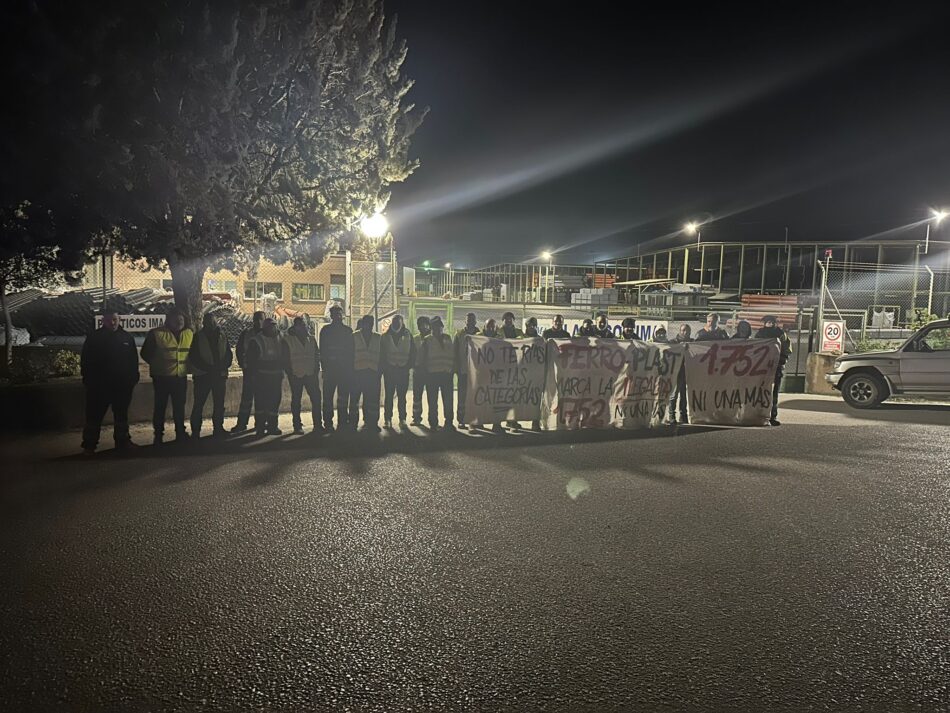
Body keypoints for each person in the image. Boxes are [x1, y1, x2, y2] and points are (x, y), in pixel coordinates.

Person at [80, 310, 140, 455]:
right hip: (99, 386)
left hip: (122, 386)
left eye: (114, 320)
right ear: (103, 321)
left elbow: (133, 361)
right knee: (94, 416)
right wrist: (89, 381)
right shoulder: (94, 338)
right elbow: (85, 361)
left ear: (119, 319)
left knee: (121, 415)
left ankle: (122, 442)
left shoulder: (127, 337)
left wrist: (132, 379)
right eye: (109, 320)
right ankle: (89, 445)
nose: (112, 323)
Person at [141, 308, 193, 445]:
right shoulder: (157, 334)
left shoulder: (189, 334)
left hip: (180, 377)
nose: (179, 322)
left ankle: (180, 433)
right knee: (160, 407)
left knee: (179, 407)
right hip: (162, 377)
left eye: (181, 320)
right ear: (168, 320)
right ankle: (158, 435)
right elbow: (145, 353)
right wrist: (158, 364)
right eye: (176, 319)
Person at [188, 312, 233, 439]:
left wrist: (223, 366)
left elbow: (228, 354)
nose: (211, 324)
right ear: (204, 323)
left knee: (219, 404)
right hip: (203, 376)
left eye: (213, 321)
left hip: (219, 375)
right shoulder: (198, 337)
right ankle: (196, 431)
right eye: (208, 322)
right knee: (199, 404)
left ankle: (218, 428)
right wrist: (209, 368)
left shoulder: (222, 335)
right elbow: (194, 357)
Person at [282, 316, 323, 435]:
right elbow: (285, 358)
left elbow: (316, 355)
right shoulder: (289, 340)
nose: (304, 327)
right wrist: (290, 373)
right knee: (296, 400)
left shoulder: (311, 339)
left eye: (304, 325)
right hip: (296, 375)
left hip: (310, 374)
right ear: (295, 327)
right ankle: (297, 425)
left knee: (316, 399)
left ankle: (318, 424)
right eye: (301, 325)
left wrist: (316, 370)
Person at [246, 317, 284, 436]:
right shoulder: (256, 340)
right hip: (262, 377)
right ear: (265, 328)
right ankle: (260, 427)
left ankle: (273, 426)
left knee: (274, 403)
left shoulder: (280, 337)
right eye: (270, 326)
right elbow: (251, 361)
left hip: (276, 376)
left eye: (274, 325)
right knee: (261, 404)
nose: (273, 328)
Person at [320, 305, 354, 431]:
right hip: (331, 370)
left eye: (339, 314)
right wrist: (324, 368)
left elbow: (351, 352)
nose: (338, 316)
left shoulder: (347, 331)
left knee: (343, 398)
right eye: (336, 314)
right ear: (332, 315)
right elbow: (322, 351)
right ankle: (328, 423)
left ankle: (342, 421)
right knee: (328, 398)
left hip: (343, 371)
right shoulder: (326, 331)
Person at [755, 315, 792, 426]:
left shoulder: (781, 334)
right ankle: (759, 415)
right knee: (760, 392)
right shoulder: (760, 334)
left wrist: (781, 361)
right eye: (768, 322)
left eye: (772, 322)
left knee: (774, 393)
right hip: (762, 368)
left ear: (776, 323)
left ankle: (772, 416)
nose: (770, 324)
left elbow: (787, 350)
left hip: (776, 367)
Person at [231, 310, 265, 433]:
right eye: (256, 319)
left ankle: (260, 424)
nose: (258, 322)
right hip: (249, 371)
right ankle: (242, 424)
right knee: (246, 399)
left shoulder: (267, 335)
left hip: (262, 373)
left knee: (261, 399)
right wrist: (242, 364)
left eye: (260, 319)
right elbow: (239, 350)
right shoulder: (246, 334)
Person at [421, 316, 455, 431]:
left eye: (440, 327)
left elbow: (452, 355)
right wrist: (425, 375)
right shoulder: (427, 340)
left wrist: (452, 371)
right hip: (432, 375)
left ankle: (449, 423)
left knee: (448, 401)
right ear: (432, 328)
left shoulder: (448, 338)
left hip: (446, 374)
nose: (439, 329)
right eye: (436, 327)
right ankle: (433, 423)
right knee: (433, 401)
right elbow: (422, 359)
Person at [381, 315, 414, 427]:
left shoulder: (408, 335)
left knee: (402, 397)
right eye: (394, 322)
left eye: (398, 323)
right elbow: (382, 354)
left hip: (403, 371)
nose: (396, 325)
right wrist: (385, 368)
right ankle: (387, 419)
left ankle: (402, 419)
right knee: (389, 396)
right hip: (389, 371)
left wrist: (408, 366)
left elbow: (413, 353)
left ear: (402, 323)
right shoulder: (385, 336)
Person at [350, 314, 382, 431]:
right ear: (362, 324)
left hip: (373, 374)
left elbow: (382, 357)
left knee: (372, 400)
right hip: (357, 373)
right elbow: (349, 355)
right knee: (354, 400)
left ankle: (372, 422)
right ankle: (353, 423)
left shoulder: (378, 337)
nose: (369, 325)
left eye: (371, 323)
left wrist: (379, 372)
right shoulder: (354, 336)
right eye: (367, 323)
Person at [455, 312, 480, 429]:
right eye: (468, 320)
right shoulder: (459, 334)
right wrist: (456, 369)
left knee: (476, 396)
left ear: (475, 321)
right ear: (465, 321)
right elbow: (455, 352)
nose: (470, 321)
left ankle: (475, 420)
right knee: (462, 397)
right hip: (463, 371)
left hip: (477, 372)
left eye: (472, 320)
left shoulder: (480, 334)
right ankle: (461, 419)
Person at [667, 324, 691, 425]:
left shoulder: (693, 342)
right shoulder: (673, 342)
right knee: (674, 394)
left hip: (688, 371)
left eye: (687, 331)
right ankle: (671, 415)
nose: (685, 332)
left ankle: (683, 415)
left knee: (684, 395)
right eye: (683, 330)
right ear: (679, 331)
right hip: (676, 371)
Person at [411, 315, 431, 426]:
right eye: (421, 324)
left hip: (430, 371)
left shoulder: (433, 338)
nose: (423, 326)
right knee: (417, 396)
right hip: (418, 371)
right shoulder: (415, 339)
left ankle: (433, 419)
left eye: (425, 324)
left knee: (431, 397)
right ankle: (416, 418)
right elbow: (412, 354)